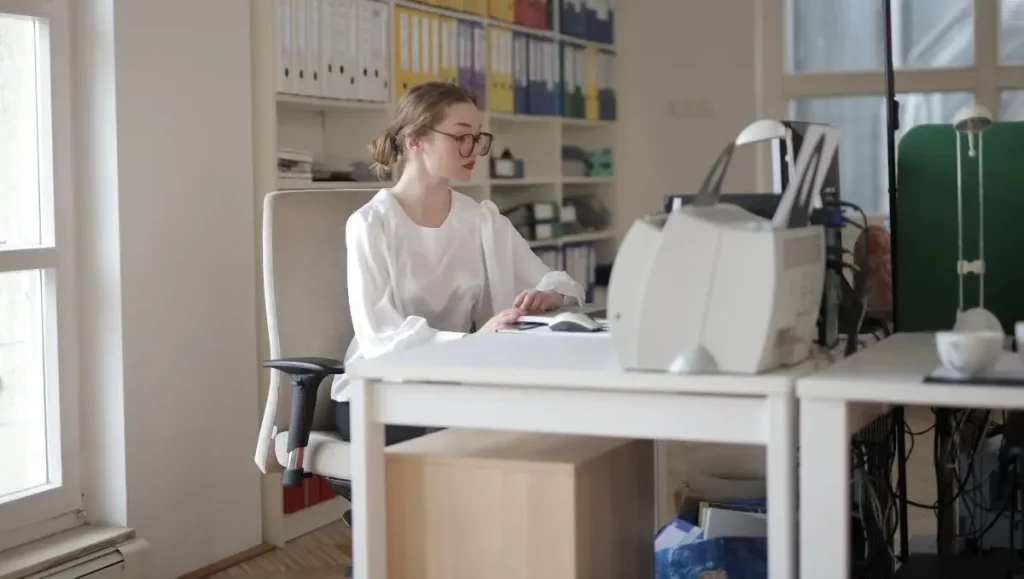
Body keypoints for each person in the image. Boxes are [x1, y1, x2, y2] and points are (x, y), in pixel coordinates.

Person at [331, 82, 585, 523]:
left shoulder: (480, 218)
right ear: (416, 140)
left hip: (456, 382)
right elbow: (378, 336)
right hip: (381, 392)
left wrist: (548, 294)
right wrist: (472, 342)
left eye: (479, 136)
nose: (474, 148)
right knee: (442, 474)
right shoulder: (371, 224)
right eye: (461, 135)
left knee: (535, 442)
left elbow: (557, 279)